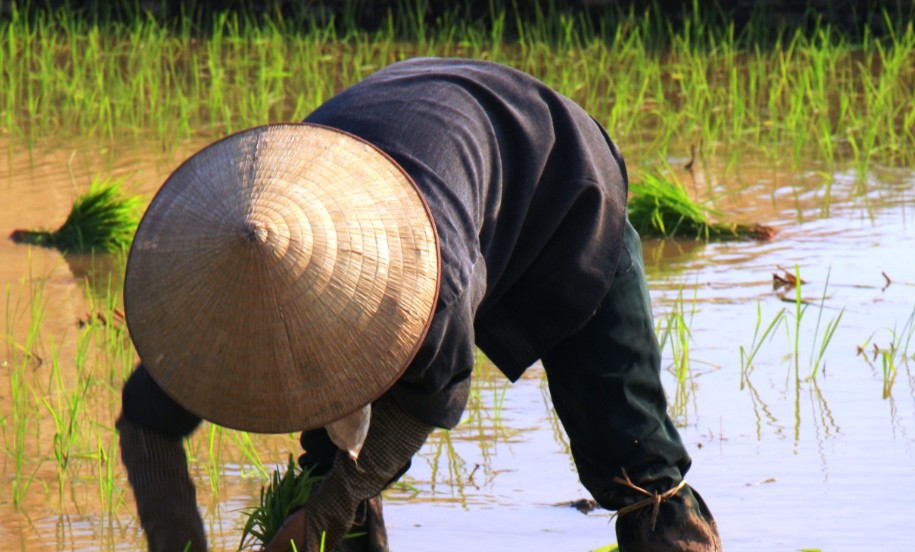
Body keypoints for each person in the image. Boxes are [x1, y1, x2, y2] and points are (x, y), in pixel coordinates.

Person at [116, 57, 721, 552]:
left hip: (563, 181)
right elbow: (147, 425)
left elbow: (420, 406)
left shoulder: (434, 285)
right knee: (334, 456)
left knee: (633, 455)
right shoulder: (217, 300)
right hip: (414, 149)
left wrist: (319, 519)